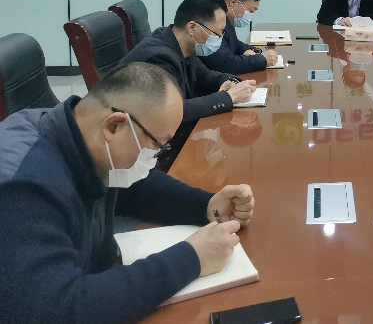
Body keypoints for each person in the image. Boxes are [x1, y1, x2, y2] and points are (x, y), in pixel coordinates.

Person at [0, 63, 256, 323]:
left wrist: (206, 205)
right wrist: (192, 258)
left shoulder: (80, 130)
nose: (154, 159)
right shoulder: (23, 188)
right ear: (114, 126)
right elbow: (61, 309)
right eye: (156, 146)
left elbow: (134, 187)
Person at [119, 0, 256, 126]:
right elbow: (172, 111)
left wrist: (231, 82)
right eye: (217, 33)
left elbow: (204, 74)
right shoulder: (159, 58)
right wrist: (229, 97)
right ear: (192, 28)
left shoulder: (178, 41)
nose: (220, 38)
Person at [199, 0, 279, 74]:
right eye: (250, 11)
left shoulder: (227, 19)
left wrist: (248, 50)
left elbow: (234, 42)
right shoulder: (211, 20)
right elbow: (224, 64)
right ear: (233, 2)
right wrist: (261, 60)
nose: (251, 15)